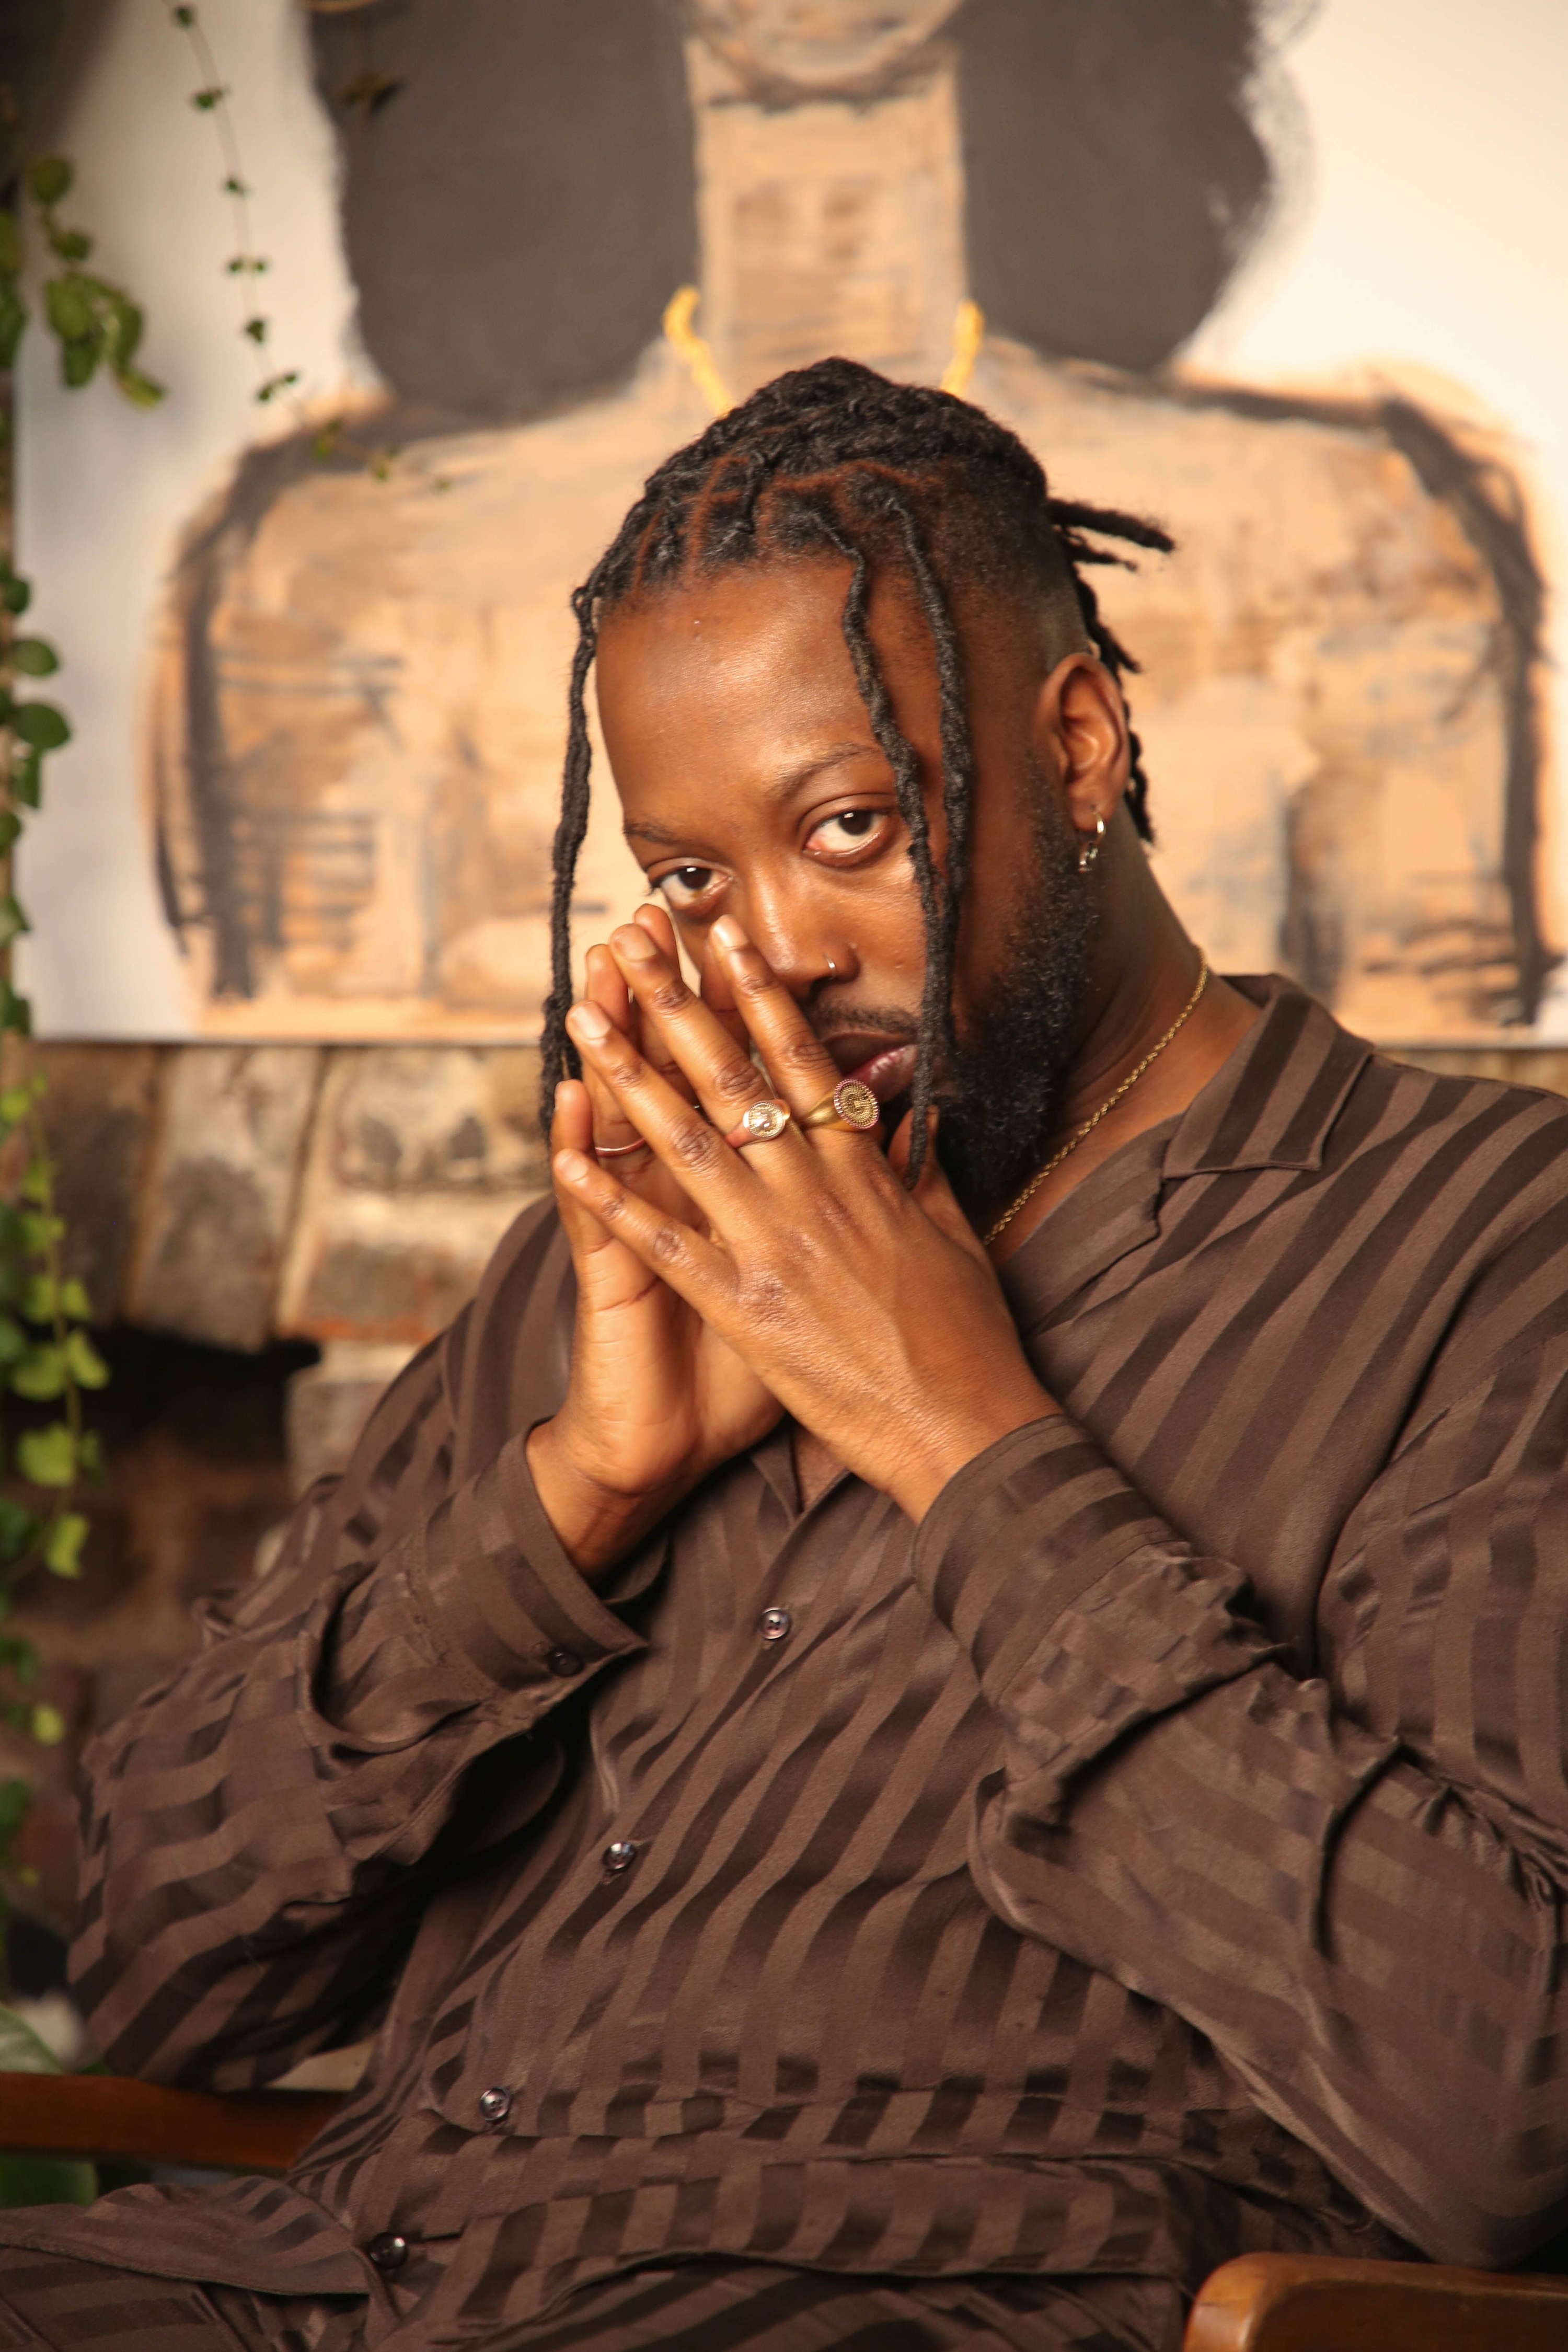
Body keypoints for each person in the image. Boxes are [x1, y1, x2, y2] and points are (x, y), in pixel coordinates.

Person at [2, 359, 1566, 2350]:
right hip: (292, 2291)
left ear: (1080, 743)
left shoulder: (1498, 1254)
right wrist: (577, 1494)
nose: (778, 955)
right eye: (688, 877)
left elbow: (1506, 2110)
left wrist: (968, 1440)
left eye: (848, 825)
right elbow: (149, 1979)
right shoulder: (632, 1253)